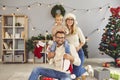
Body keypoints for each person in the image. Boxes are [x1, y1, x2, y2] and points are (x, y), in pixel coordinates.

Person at [64, 13, 87, 79]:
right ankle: (84, 69)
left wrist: (78, 47)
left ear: (74, 21)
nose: (70, 21)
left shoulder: (77, 29)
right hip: (70, 53)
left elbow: (83, 41)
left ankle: (84, 69)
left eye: (72, 19)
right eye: (68, 19)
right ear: (66, 21)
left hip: (79, 52)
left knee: (74, 74)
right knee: (70, 71)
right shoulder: (64, 30)